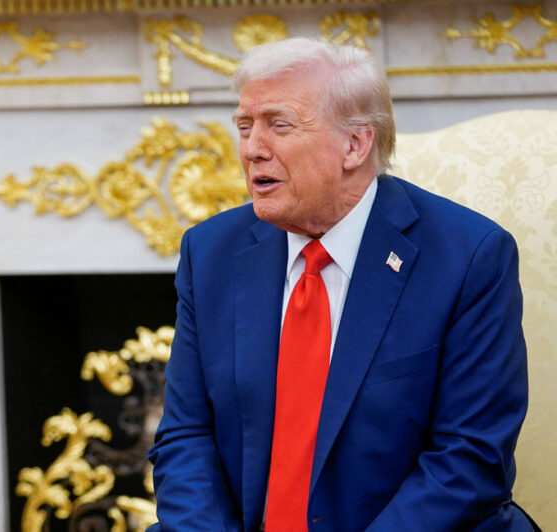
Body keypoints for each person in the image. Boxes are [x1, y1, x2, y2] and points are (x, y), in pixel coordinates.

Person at [147, 38, 537, 531]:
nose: (251, 150)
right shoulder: (211, 252)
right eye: (244, 127)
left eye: (278, 125)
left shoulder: (467, 256)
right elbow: (186, 435)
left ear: (355, 144)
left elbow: (470, 459)